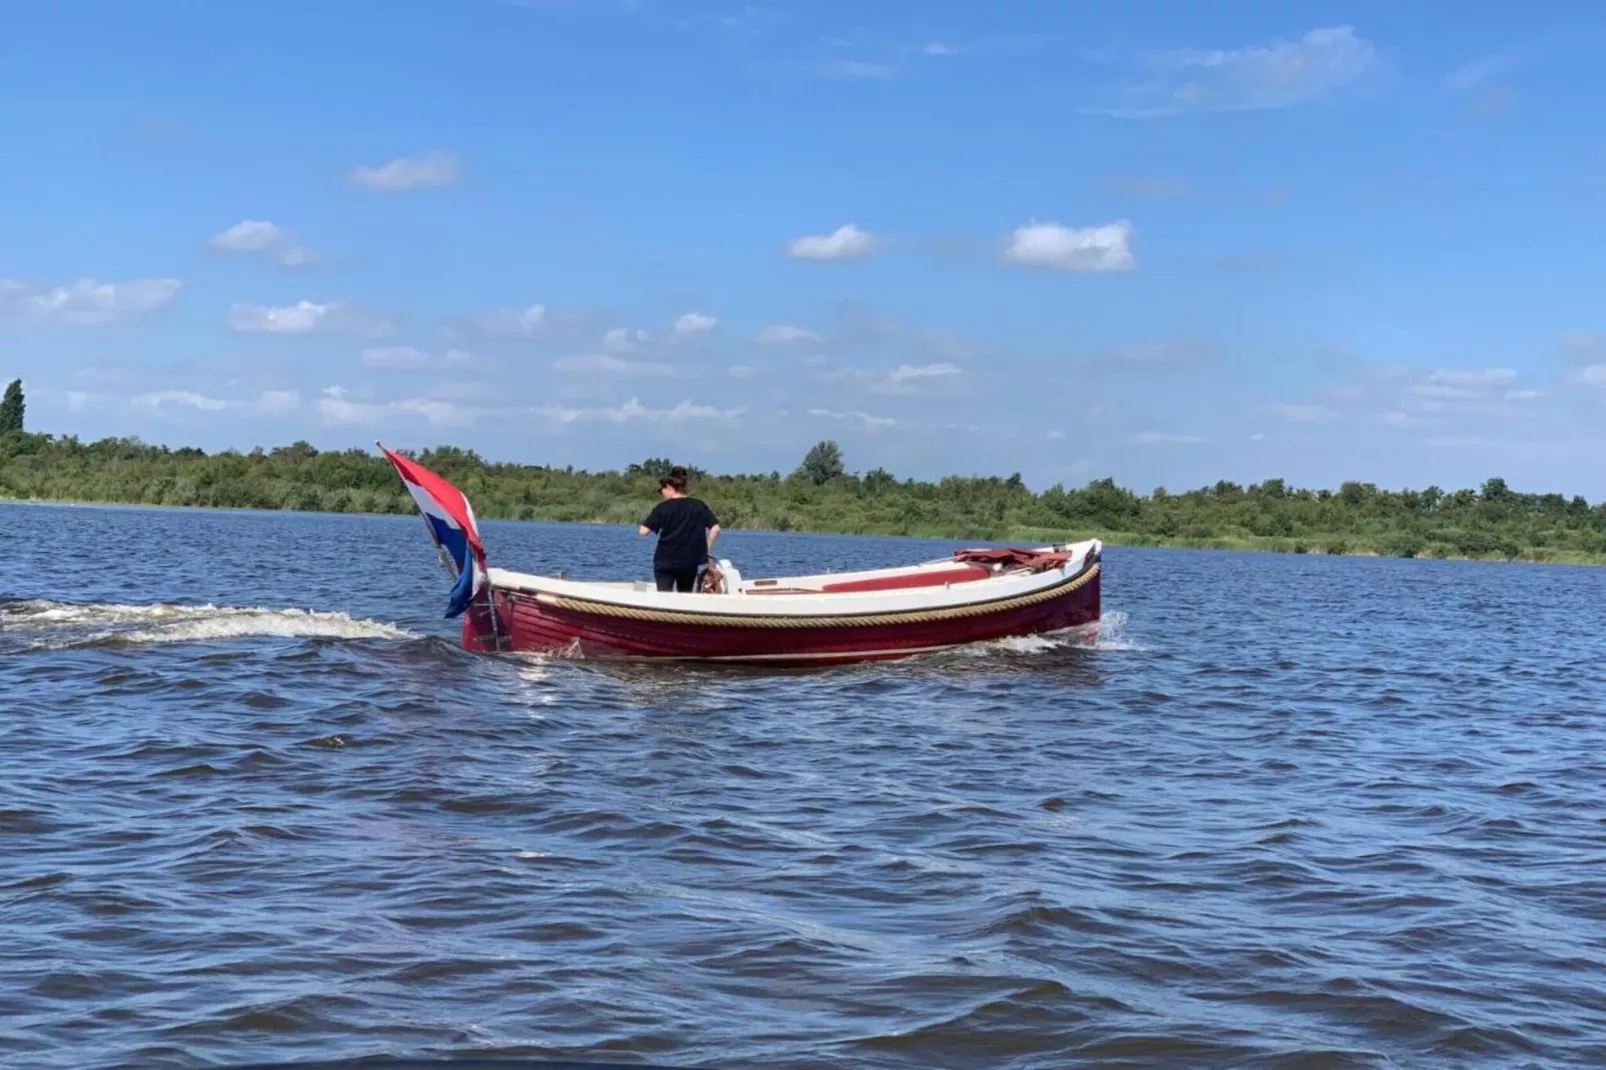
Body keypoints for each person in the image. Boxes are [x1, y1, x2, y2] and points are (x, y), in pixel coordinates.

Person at [638, 465, 720, 592]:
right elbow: (716, 528)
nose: (661, 493)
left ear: (669, 487)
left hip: (665, 560)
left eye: (662, 490)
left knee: (664, 596)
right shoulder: (699, 506)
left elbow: (643, 531)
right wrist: (707, 549)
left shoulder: (663, 508)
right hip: (689, 561)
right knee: (684, 597)